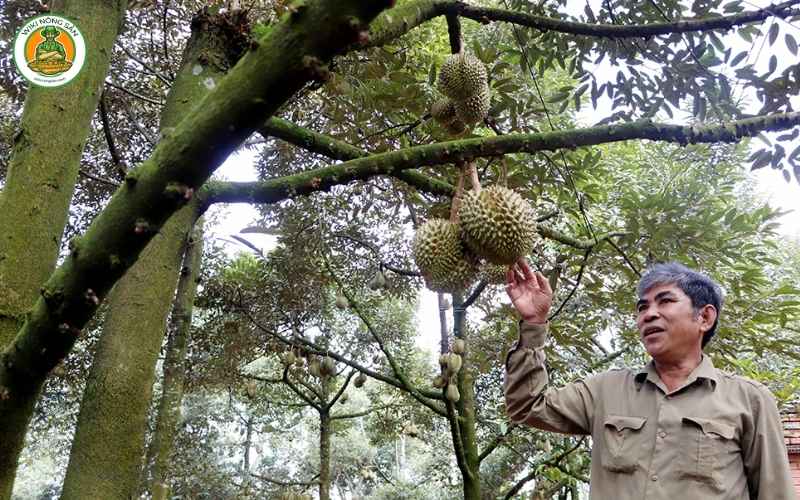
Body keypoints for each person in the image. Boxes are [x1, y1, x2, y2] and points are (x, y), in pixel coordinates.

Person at [504, 260, 795, 500]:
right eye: (642, 307)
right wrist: (533, 324)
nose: (649, 314)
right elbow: (527, 405)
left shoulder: (750, 400)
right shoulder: (605, 391)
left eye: (665, 301)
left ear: (704, 318)